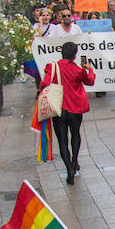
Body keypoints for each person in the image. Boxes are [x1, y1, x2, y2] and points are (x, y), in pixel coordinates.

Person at [42, 42, 96, 184]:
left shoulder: (52, 67)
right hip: (75, 108)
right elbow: (90, 82)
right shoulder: (78, 70)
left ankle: (69, 170)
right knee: (76, 134)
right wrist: (89, 69)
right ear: (75, 54)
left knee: (62, 141)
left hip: (58, 109)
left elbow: (43, 84)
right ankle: (75, 161)